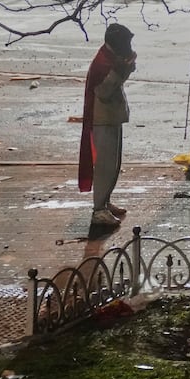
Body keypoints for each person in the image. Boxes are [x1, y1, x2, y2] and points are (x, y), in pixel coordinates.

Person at [78, 23, 137, 233]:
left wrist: (125, 68)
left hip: (112, 117)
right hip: (102, 119)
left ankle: (105, 200)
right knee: (104, 166)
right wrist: (122, 70)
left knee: (114, 164)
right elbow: (103, 92)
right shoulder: (102, 63)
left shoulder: (109, 57)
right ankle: (99, 209)